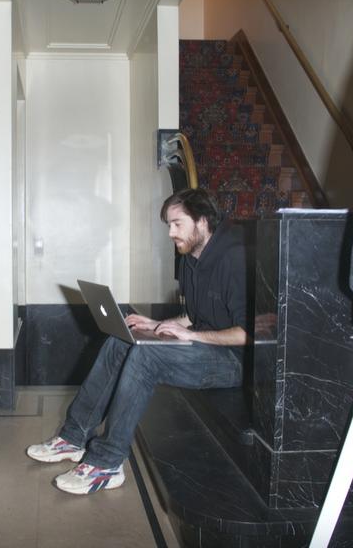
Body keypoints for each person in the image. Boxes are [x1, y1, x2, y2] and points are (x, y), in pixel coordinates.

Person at [26, 188, 247, 495]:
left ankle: (106, 464)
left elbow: (249, 333)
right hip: (203, 347)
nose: (170, 232)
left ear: (203, 221)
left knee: (147, 357)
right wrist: (158, 325)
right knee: (123, 341)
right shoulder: (190, 259)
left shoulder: (235, 257)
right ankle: (73, 437)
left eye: (177, 223)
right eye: (168, 225)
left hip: (234, 361)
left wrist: (192, 335)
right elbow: (194, 316)